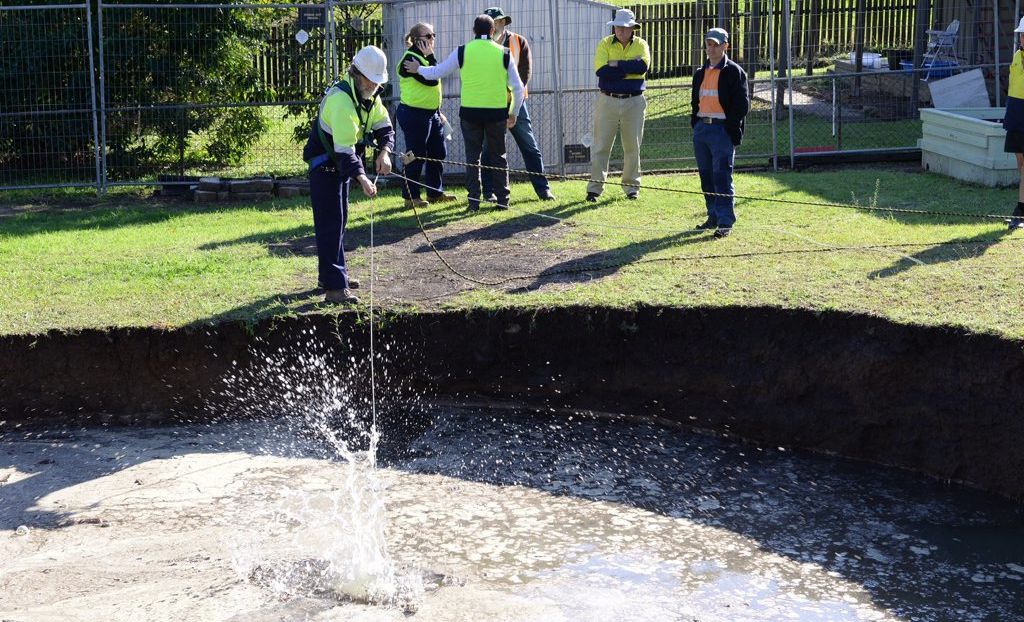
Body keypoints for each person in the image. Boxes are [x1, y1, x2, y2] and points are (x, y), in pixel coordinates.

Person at [303, 45, 395, 304]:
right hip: (324, 166)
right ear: (358, 75)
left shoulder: (369, 98)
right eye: (372, 80)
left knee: (339, 220)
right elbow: (345, 152)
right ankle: (334, 289)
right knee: (331, 223)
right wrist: (363, 178)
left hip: (340, 164)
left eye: (379, 82)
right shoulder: (342, 101)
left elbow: (384, 128)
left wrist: (385, 152)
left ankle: (332, 276)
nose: (376, 86)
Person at [404, 14, 525, 212]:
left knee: (472, 157)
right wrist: (514, 112)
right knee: (499, 156)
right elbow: (518, 88)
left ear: (474, 31)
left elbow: (438, 72)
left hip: (470, 114)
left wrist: (419, 69)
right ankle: (503, 200)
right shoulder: (504, 53)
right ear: (493, 31)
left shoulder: (462, 51)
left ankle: (473, 202)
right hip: (496, 114)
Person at [479, 6, 555, 202]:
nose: (496, 25)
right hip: (491, 106)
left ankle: (543, 190)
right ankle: (488, 192)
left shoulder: (519, 41)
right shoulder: (480, 45)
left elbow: (524, 73)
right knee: (488, 150)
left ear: (504, 22)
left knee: (530, 147)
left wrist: (514, 103)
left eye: (499, 21)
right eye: (493, 22)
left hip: (517, 103)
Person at [690, 27, 749, 239]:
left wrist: (728, 127)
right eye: (709, 44)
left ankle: (725, 221)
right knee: (706, 177)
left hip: (722, 130)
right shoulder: (699, 73)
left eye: (716, 44)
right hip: (702, 130)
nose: (711, 48)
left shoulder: (734, 72)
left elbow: (742, 106)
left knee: (722, 176)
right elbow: (694, 102)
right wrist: (696, 124)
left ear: (726, 46)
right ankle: (713, 216)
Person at [586, 9, 650, 202]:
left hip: (634, 101)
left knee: (632, 146)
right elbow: (601, 70)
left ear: (632, 28)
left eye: (625, 27)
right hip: (608, 100)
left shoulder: (641, 44)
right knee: (601, 145)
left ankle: (632, 188)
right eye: (618, 27)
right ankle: (595, 188)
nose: (621, 30)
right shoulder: (604, 43)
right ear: (613, 27)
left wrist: (615, 65)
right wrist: (628, 67)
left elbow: (642, 68)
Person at [396, 22, 457, 209]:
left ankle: (434, 193)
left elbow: (433, 75)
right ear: (416, 40)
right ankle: (410, 196)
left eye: (433, 35)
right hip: (413, 114)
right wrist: (431, 57)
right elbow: (431, 80)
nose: (432, 40)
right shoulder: (410, 59)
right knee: (415, 155)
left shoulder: (423, 58)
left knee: (438, 152)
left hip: (432, 114)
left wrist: (438, 112)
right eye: (428, 36)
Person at [1004, 17, 1024, 230]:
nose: (1023, 38)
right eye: (1021, 34)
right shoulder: (1017, 56)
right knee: (1020, 165)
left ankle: (1020, 212)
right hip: (1016, 116)